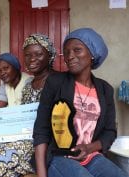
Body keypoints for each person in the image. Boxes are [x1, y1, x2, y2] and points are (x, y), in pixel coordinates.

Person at [33, 28, 129, 177]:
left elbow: (110, 132)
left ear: (92, 54)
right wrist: (41, 173)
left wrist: (89, 148)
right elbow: (41, 129)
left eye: (77, 50)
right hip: (59, 156)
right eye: (66, 52)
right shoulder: (56, 82)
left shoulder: (105, 89)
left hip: (91, 157)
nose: (70, 56)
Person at [0, 34, 56, 177]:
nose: (32, 59)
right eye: (28, 55)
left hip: (42, 139)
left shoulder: (55, 81)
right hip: (23, 133)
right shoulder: (29, 86)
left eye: (38, 54)